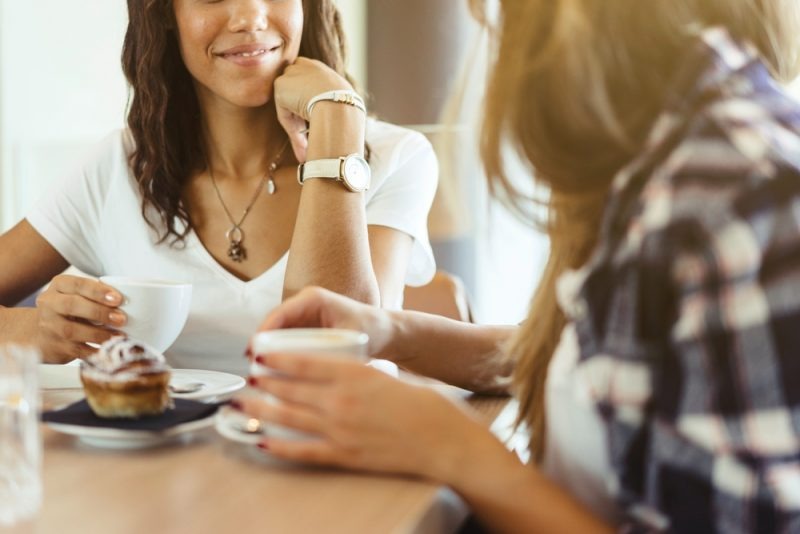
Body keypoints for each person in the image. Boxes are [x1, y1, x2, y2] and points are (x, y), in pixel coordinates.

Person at [234, 0, 800, 531]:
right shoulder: (676, 156)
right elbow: (620, 369)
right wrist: (394, 333)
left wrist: (450, 446)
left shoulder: (738, 201)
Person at [0, 0, 437, 374]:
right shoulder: (117, 168)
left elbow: (333, 356)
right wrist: (38, 331)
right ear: (167, 14)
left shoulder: (396, 157)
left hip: (338, 466)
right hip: (166, 466)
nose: (250, 17)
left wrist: (336, 120)